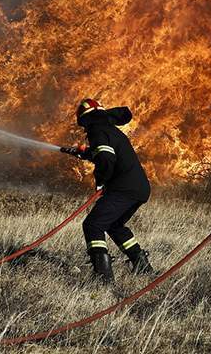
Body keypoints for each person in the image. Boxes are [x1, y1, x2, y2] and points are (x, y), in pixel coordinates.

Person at [62, 98, 153, 282]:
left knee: (93, 225)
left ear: (87, 119)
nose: (85, 129)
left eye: (84, 124)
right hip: (139, 189)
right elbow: (104, 152)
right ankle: (142, 265)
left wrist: (101, 181)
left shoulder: (97, 129)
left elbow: (105, 158)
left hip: (124, 188)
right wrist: (83, 152)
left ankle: (103, 278)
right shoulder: (109, 129)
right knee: (114, 225)